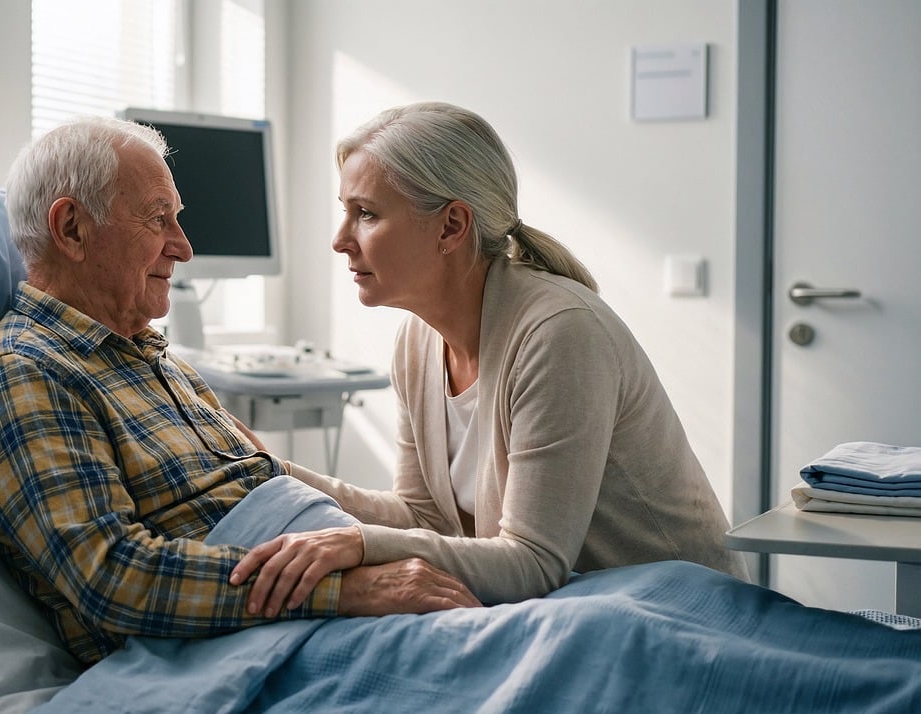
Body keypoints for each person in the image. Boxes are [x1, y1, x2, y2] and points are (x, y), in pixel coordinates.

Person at [0, 115, 479, 667]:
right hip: (257, 640)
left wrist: (387, 558)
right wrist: (356, 591)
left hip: (325, 586)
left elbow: (264, 481)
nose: (183, 248)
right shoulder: (26, 374)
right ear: (72, 230)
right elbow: (112, 577)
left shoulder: (149, 356)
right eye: (159, 221)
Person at [231, 101, 750, 619]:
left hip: (676, 611)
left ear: (452, 226)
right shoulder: (417, 341)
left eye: (366, 214)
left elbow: (533, 561)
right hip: (579, 609)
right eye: (345, 210)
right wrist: (275, 471)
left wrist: (360, 543)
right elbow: (423, 516)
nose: (340, 239)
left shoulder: (559, 333)